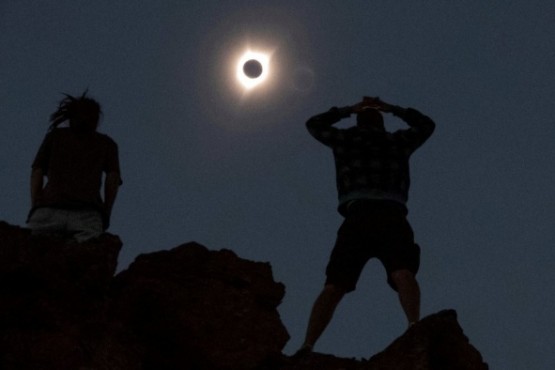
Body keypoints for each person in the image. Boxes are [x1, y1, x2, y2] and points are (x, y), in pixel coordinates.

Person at [295, 96, 435, 356]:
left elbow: (314, 124)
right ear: (381, 123)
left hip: (358, 215)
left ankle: (307, 345)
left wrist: (349, 109)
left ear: (359, 121)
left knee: (335, 284)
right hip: (392, 215)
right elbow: (426, 125)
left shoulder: (346, 140)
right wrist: (393, 107)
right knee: (403, 272)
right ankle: (414, 325)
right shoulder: (397, 141)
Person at [27, 91, 122, 243]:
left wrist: (36, 204)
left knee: (34, 257)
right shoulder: (106, 144)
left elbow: (37, 171)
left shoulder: (55, 136)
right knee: (83, 261)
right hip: (87, 214)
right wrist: (106, 210)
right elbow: (113, 178)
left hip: (48, 210)